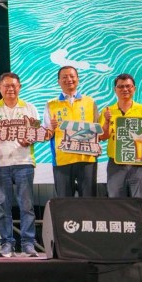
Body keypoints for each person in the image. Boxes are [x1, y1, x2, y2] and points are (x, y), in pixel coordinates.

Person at [0, 73, 40, 258]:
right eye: (6, 86)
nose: (10, 89)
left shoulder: (30, 108)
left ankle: (28, 244)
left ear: (19, 87)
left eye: (13, 85)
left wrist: (29, 138)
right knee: (1, 206)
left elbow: (36, 133)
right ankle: (6, 244)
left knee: (27, 206)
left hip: (24, 162)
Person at [98, 73, 142, 225]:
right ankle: (119, 239)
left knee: (141, 205)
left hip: (139, 165)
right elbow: (102, 136)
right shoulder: (107, 111)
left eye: (128, 86)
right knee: (116, 204)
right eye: (121, 87)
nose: (125, 89)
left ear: (134, 88)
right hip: (116, 164)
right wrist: (107, 121)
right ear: (115, 90)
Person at [44, 66, 99, 197]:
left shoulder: (90, 102)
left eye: (72, 76)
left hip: (87, 158)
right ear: (58, 81)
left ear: (78, 79)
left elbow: (97, 130)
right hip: (62, 159)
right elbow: (46, 135)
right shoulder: (51, 104)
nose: (69, 79)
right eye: (64, 77)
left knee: (89, 200)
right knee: (64, 201)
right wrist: (51, 128)